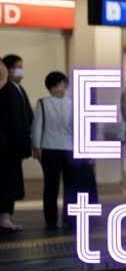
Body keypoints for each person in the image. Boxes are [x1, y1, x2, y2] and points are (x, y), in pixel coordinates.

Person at [31, 71, 75, 230]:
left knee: (51, 185)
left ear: (66, 85)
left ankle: (51, 219)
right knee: (69, 184)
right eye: (55, 86)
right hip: (68, 148)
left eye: (60, 85)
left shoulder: (42, 102)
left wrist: (36, 146)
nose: (58, 89)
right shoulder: (73, 103)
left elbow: (37, 127)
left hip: (49, 148)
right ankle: (69, 218)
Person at [0, 60, 32, 232]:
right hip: (8, 147)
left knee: (8, 182)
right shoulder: (10, 91)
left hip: (10, 148)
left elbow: (23, 118)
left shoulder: (13, 89)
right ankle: (4, 217)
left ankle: (5, 216)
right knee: (7, 181)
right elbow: (15, 121)